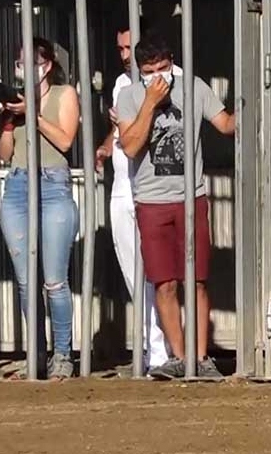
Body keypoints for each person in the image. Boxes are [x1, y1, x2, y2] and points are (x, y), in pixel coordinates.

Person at [116, 31, 235, 379]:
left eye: (164, 69)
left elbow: (225, 123)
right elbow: (132, 146)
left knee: (195, 280)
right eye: (150, 71)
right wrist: (151, 103)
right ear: (140, 71)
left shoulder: (194, 87)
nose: (158, 77)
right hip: (151, 202)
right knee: (164, 283)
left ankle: (201, 358)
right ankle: (179, 357)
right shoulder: (129, 97)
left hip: (190, 198)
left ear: (173, 65)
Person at [95, 23, 180, 374]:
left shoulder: (171, 80)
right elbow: (122, 131)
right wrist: (105, 142)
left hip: (152, 189)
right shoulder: (119, 83)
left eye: (129, 49)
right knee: (135, 276)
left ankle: (170, 353)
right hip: (121, 188)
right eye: (120, 49)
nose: (124, 56)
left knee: (161, 276)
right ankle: (153, 351)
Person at [0, 37, 81, 380]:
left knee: (54, 281)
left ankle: (63, 355)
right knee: (25, 282)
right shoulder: (15, 101)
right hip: (17, 184)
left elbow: (65, 140)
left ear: (47, 64)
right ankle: (37, 354)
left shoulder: (64, 94)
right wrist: (7, 120)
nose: (24, 67)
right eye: (19, 62)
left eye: (30, 61)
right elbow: (3, 154)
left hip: (52, 184)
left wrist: (30, 114)